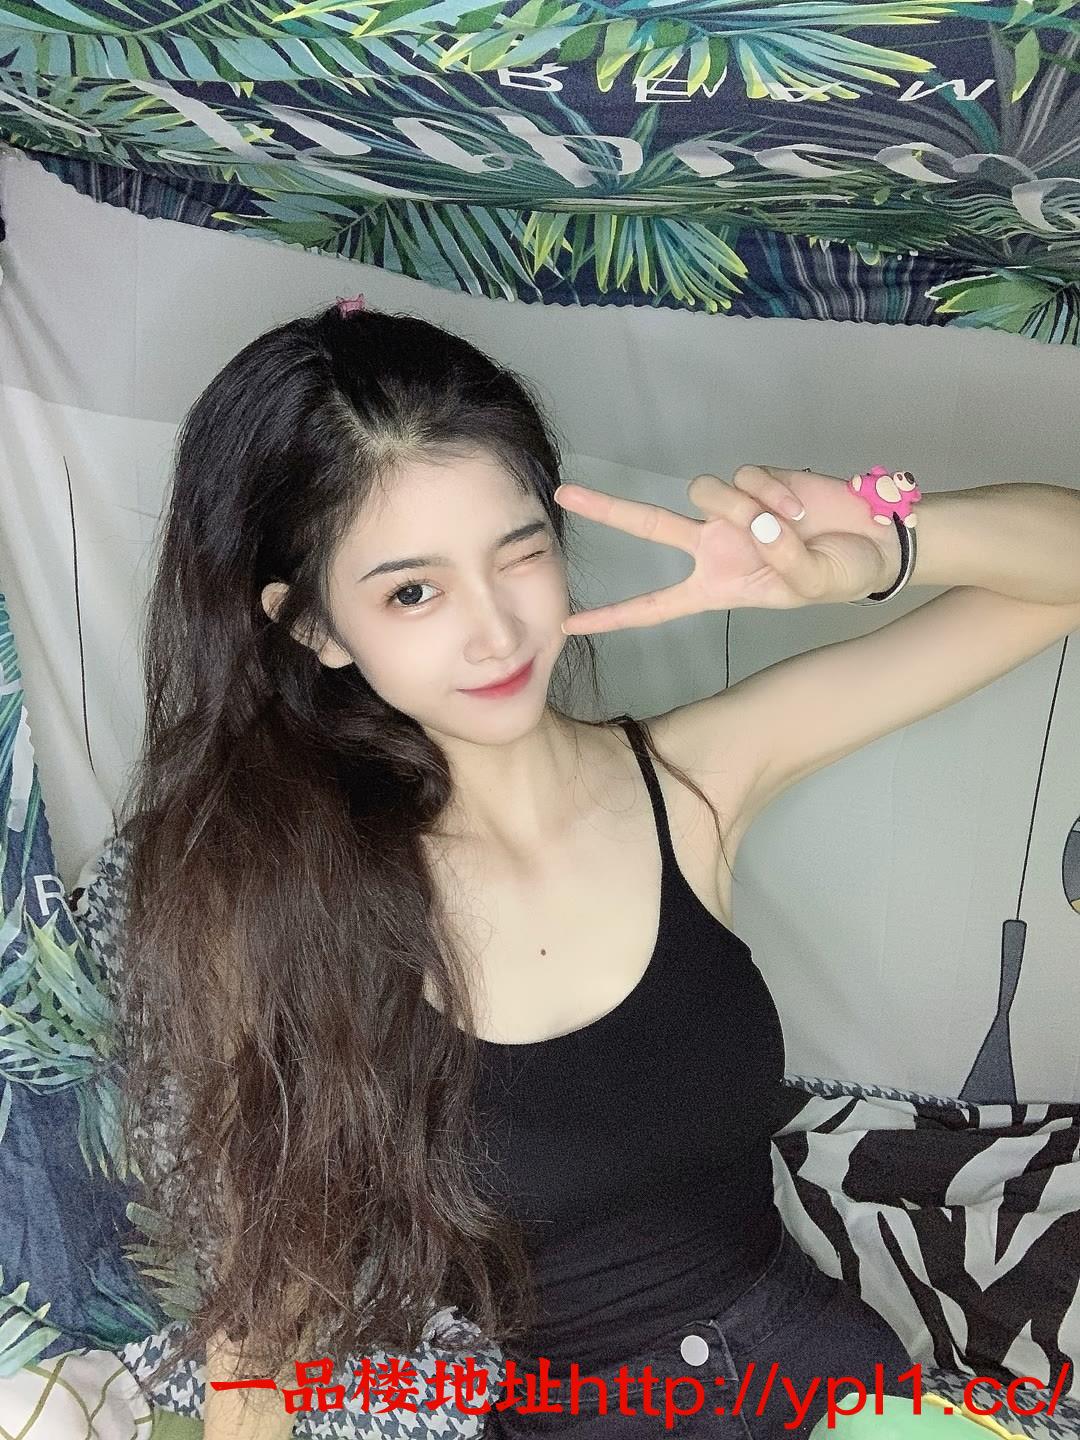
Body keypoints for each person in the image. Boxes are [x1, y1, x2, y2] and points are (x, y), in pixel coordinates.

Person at [109, 297, 1080, 1439]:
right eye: (413, 591)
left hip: (827, 1391)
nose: (496, 631)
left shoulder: (694, 782)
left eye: (519, 554)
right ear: (314, 627)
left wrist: (878, 555)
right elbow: (264, 1320)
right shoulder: (283, 907)